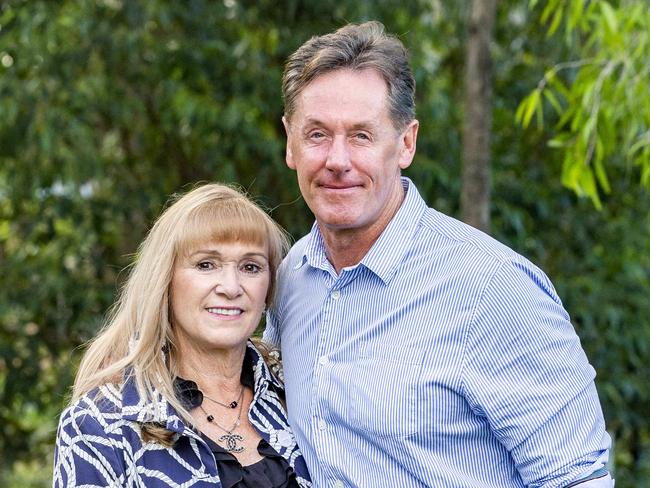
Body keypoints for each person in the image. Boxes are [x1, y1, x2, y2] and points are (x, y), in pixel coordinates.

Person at [264, 21, 613, 487]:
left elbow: (576, 477)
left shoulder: (494, 289)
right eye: (317, 135)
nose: (338, 160)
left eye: (362, 136)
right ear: (290, 142)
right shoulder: (290, 280)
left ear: (406, 142)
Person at [54, 183, 311, 487]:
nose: (231, 287)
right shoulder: (99, 423)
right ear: (166, 280)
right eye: (206, 265)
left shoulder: (297, 392)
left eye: (250, 267)